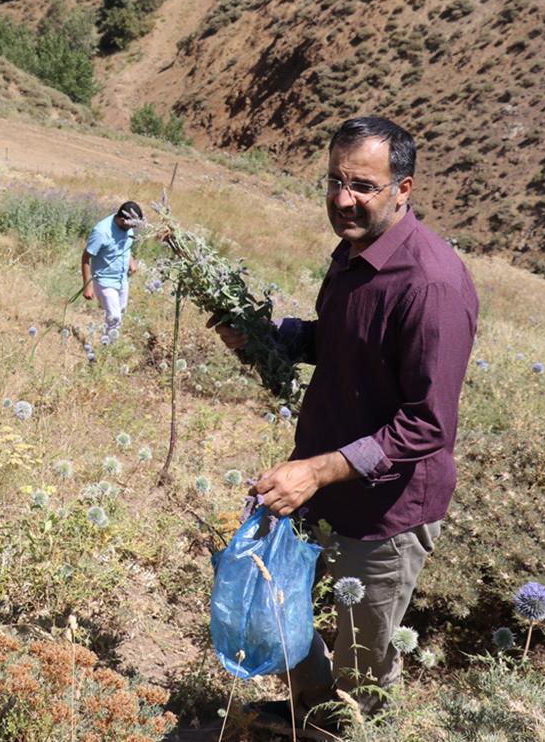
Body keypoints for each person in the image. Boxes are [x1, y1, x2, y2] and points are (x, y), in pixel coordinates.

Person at [214, 117, 478, 731]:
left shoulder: (431, 284)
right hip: (322, 491)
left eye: (362, 184)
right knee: (289, 615)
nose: (342, 199)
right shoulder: (353, 254)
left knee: (364, 661)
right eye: (334, 180)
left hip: (385, 513)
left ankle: (351, 729)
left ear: (403, 189)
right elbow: (339, 345)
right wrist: (263, 336)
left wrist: (315, 470)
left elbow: (427, 425)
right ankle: (312, 718)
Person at [82, 200, 143, 332]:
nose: (132, 228)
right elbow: (86, 258)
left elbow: (126, 246)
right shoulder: (101, 232)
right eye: (131, 225)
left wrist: (131, 261)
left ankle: (110, 341)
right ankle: (108, 347)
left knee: (120, 312)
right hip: (104, 281)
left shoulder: (128, 226)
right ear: (122, 219)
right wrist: (87, 286)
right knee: (115, 318)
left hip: (122, 280)